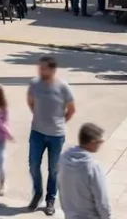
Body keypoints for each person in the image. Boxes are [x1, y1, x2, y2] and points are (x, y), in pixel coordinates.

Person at [28, 56, 76, 216]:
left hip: (56, 136)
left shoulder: (63, 87)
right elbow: (30, 101)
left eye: (44, 68)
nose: (40, 71)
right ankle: (38, 193)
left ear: (52, 70)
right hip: (37, 133)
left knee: (54, 169)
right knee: (33, 165)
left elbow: (72, 110)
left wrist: (60, 123)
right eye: (39, 68)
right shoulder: (34, 84)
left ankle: (50, 200)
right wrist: (38, 117)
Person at [57, 123, 112, 219]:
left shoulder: (63, 159)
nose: (101, 144)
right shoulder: (93, 167)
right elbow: (102, 201)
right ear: (92, 142)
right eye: (100, 141)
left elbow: (60, 189)